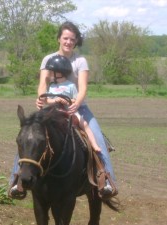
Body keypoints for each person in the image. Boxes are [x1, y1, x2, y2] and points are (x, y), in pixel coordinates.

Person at [36, 21, 117, 195]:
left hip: (77, 107)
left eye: (72, 39)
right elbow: (43, 84)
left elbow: (83, 88)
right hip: (51, 107)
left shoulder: (80, 60)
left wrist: (76, 104)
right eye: (65, 38)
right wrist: (41, 99)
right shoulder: (48, 59)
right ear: (59, 38)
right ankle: (17, 179)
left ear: (76, 41)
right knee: (30, 136)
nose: (68, 42)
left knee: (97, 137)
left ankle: (106, 180)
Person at [44, 54, 101, 152]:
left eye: (52, 71)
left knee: (85, 124)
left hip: (69, 111)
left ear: (60, 72)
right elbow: (48, 100)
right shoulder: (52, 86)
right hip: (54, 111)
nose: (49, 73)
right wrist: (55, 100)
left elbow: (76, 99)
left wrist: (68, 101)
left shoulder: (70, 86)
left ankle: (94, 145)